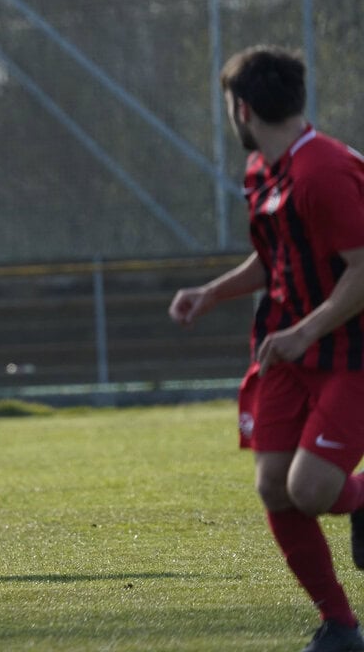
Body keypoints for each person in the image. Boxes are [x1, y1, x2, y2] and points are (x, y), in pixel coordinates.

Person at [169, 45, 364, 652]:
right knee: (274, 486)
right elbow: (277, 253)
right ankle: (341, 627)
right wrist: (212, 293)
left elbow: (363, 267)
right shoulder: (263, 169)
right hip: (286, 349)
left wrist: (308, 329)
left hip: (350, 351)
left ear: (242, 109)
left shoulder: (323, 172)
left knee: (311, 489)